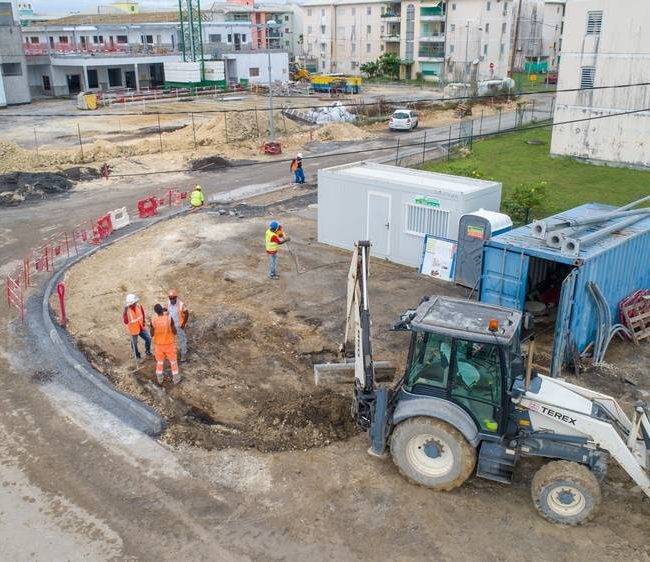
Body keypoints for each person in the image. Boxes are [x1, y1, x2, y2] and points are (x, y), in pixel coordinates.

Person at [150, 303, 180, 385]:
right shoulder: (169, 318)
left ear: (155, 312)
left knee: (159, 362)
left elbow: (152, 334)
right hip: (169, 344)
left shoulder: (153, 320)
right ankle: (176, 380)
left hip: (159, 346)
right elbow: (175, 332)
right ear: (162, 310)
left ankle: (160, 379)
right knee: (173, 362)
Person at [122, 294, 151, 360]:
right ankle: (137, 355)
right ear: (130, 304)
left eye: (135, 302)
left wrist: (143, 321)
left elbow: (142, 313)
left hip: (141, 327)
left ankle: (147, 351)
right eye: (134, 303)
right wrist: (125, 312)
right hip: (133, 330)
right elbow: (126, 321)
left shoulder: (139, 306)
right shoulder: (127, 311)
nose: (135, 303)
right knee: (134, 344)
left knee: (148, 339)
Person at [167, 289, 189, 362]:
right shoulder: (168, 303)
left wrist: (183, 324)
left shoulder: (181, 304)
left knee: (182, 340)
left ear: (176, 297)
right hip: (171, 326)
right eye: (170, 298)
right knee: (172, 341)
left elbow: (187, 313)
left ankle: (183, 356)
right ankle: (173, 354)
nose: (172, 299)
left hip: (179, 326)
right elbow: (168, 312)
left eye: (173, 298)